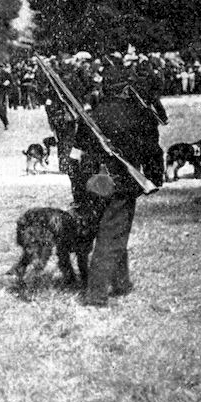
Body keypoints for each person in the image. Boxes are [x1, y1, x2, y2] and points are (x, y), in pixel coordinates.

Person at [68, 66, 164, 307]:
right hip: (122, 184)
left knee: (112, 233)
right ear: (127, 88)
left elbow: (75, 156)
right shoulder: (142, 115)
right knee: (112, 237)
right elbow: (153, 152)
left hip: (93, 183)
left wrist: (78, 187)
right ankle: (96, 295)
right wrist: (154, 179)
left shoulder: (91, 117)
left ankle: (122, 283)